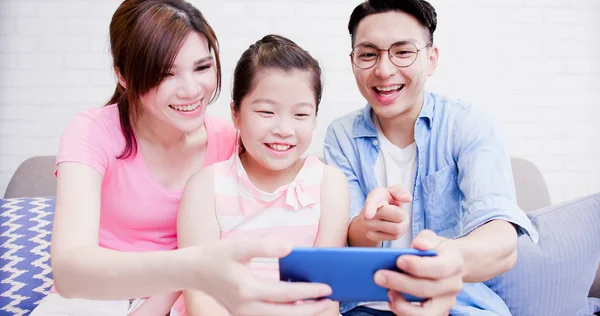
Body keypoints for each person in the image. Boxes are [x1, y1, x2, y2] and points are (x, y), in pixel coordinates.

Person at [30, 1, 334, 315]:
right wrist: (193, 266)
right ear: (124, 75)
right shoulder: (94, 132)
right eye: (165, 73)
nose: (191, 90)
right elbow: (69, 271)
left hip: (186, 297)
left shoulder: (231, 141)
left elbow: (297, 189)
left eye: (202, 67)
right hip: (96, 297)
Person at [323, 0, 539, 315]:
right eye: (368, 54)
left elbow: (503, 241)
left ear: (431, 58)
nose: (384, 70)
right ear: (353, 60)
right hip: (366, 307)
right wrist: (368, 228)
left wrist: (448, 258)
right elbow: (346, 240)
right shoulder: (340, 135)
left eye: (403, 52)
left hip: (457, 305)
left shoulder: (468, 124)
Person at [174, 34, 349, 316]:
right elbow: (201, 298)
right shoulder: (206, 187)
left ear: (315, 117)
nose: (283, 129)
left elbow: (325, 296)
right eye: (266, 111)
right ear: (236, 114)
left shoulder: (329, 184)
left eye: (301, 115)